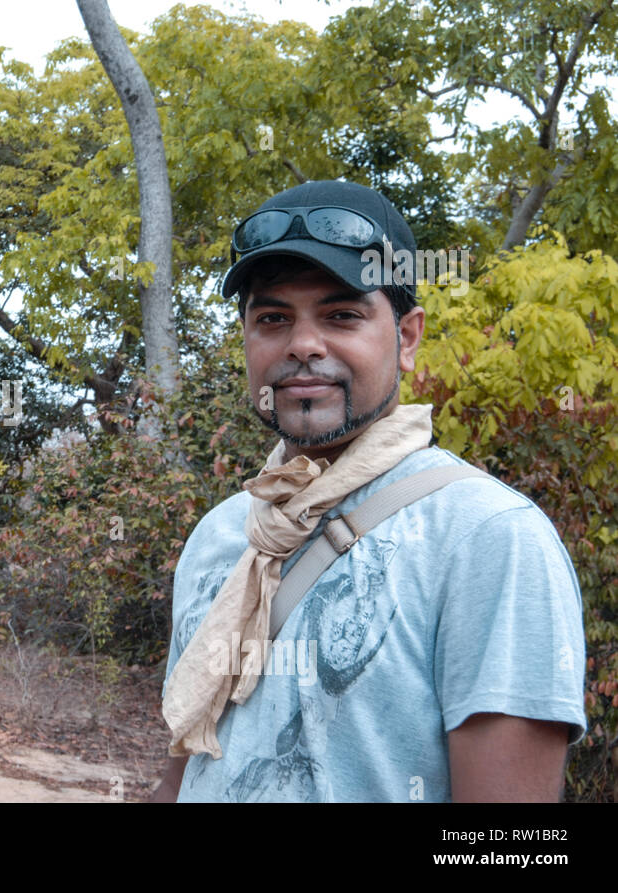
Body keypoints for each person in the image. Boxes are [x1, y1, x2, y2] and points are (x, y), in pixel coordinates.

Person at [150, 180, 586, 802]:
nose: (303, 344)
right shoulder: (225, 534)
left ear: (407, 338)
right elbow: (186, 765)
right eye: (273, 318)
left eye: (342, 315)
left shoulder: (487, 537)